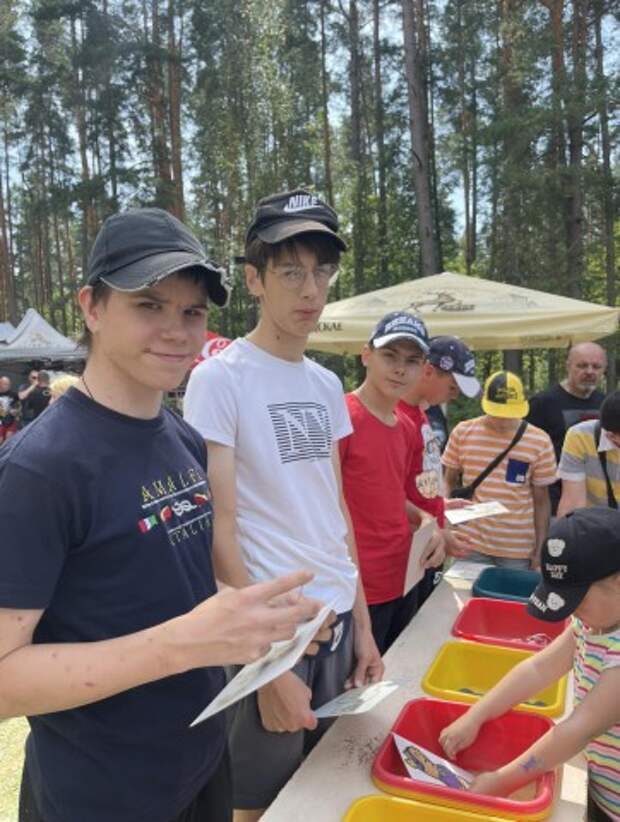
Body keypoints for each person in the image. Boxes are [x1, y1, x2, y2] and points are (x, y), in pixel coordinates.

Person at [0, 206, 321, 822]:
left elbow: (174, 585)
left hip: (200, 762)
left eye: (192, 312)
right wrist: (184, 644)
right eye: (149, 305)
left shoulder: (181, 438)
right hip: (100, 793)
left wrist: (261, 619)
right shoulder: (40, 469)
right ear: (92, 307)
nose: (177, 331)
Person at [183, 188, 384, 822]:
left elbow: (334, 510)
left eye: (322, 272)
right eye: (291, 272)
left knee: (327, 793)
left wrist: (365, 627)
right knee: (257, 807)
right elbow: (218, 527)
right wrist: (269, 666)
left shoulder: (325, 383)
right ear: (254, 280)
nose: (311, 291)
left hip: (339, 619)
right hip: (273, 631)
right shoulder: (219, 378)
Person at [439, 507, 620, 822]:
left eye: (577, 601)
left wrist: (500, 781)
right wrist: (476, 715)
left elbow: (577, 730)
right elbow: (538, 669)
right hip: (600, 784)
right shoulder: (592, 623)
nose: (572, 613)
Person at [338, 311, 445, 654]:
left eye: (411, 361)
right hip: (358, 588)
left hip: (404, 575)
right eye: (390, 356)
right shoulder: (342, 418)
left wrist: (426, 520)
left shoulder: (406, 426)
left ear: (423, 368)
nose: (400, 369)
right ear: (366, 355)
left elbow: (389, 492)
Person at [442, 371, 556, 569]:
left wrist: (540, 549)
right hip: (469, 541)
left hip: (517, 548)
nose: (502, 419)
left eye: (509, 414)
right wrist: (445, 524)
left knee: (511, 590)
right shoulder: (463, 432)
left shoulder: (540, 441)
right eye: (497, 412)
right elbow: (448, 481)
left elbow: (542, 500)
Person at [398, 335, 480, 602]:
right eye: (452, 387)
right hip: (406, 552)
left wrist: (441, 504)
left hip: (425, 548)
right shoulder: (397, 417)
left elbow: (415, 480)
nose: (454, 396)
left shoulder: (422, 412)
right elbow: (386, 494)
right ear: (428, 371)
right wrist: (440, 534)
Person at [527, 342, 607, 513]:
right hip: (553, 502)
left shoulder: (607, 405)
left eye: (596, 366)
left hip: (600, 504)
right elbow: (524, 451)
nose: (589, 371)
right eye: (582, 365)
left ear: (604, 369)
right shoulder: (542, 404)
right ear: (568, 366)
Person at [557, 390, 620, 516]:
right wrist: (565, 528)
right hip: (597, 521)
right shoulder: (580, 436)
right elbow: (573, 504)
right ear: (610, 435)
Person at [0, 375, 20, 443]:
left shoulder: (14, 394)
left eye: (9, 384)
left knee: (8, 441)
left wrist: (16, 411)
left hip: (10, 421)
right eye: (5, 384)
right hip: (0, 421)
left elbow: (18, 407)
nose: (8, 386)